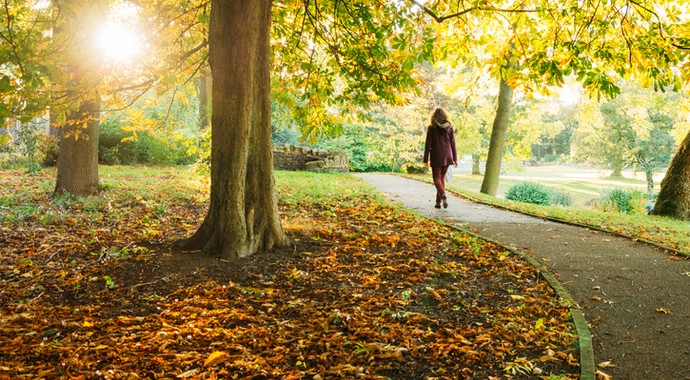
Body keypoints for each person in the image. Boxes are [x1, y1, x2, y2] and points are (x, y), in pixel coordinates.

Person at [423, 108, 458, 209]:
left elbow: (428, 145)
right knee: (441, 178)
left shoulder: (431, 127)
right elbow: (453, 144)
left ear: (434, 116)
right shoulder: (449, 127)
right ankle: (438, 203)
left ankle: (443, 194)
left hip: (437, 155)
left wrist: (425, 160)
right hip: (448, 155)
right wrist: (455, 158)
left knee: (436, 178)